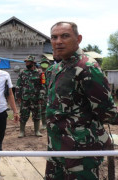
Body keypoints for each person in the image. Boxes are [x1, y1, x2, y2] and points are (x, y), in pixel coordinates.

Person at [45, 21, 118, 179]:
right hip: (56, 145)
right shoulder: (54, 69)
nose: (58, 41)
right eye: (54, 37)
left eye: (65, 36)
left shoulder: (87, 67)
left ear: (78, 39)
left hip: (80, 150)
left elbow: (107, 113)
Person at [15, 55, 45, 138]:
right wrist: (18, 96)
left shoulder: (40, 73)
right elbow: (18, 85)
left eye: (28, 62)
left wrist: (41, 96)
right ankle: (22, 131)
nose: (26, 63)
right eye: (26, 62)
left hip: (36, 98)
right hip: (25, 98)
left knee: (37, 115)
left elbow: (43, 85)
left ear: (33, 63)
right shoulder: (22, 72)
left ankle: (37, 131)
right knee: (23, 114)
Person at [38, 56, 50, 130]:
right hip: (42, 93)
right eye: (43, 63)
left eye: (45, 63)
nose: (44, 65)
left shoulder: (52, 72)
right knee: (43, 110)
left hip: (50, 92)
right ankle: (44, 124)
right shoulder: (38, 73)